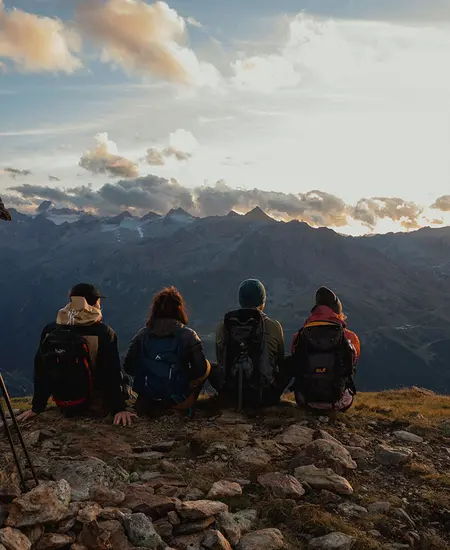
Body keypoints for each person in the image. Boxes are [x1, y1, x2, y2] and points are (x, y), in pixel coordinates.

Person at [17, 283, 135, 426]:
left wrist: (37, 407)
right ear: (95, 303)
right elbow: (111, 372)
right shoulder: (102, 332)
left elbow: (42, 369)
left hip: (63, 401)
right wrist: (119, 409)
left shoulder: (51, 330)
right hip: (93, 403)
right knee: (124, 380)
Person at [123, 286, 210, 413]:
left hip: (145, 401)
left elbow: (128, 367)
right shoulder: (188, 335)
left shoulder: (142, 335)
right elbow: (200, 369)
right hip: (177, 397)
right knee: (209, 366)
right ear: (179, 310)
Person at [212, 279, 286, 408]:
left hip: (231, 394)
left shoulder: (224, 326)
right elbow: (280, 359)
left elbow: (220, 360)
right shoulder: (274, 326)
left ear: (240, 300)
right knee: (290, 362)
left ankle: (225, 398)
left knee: (209, 367)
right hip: (263, 395)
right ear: (262, 302)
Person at [290, 286, 360, 412]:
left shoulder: (300, 336)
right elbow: (353, 362)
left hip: (305, 400)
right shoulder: (349, 337)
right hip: (339, 403)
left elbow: (295, 361)